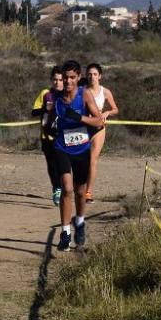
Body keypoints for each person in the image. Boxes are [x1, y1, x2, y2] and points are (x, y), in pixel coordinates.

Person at [53, 60, 105, 252]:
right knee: (66, 189)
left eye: (72, 77)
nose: (68, 81)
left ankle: (80, 222)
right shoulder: (56, 97)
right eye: (65, 77)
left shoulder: (85, 95)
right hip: (62, 147)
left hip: (82, 149)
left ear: (78, 78)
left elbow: (99, 121)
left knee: (80, 191)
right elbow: (49, 118)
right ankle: (65, 233)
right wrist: (48, 122)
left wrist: (80, 118)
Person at [82, 63, 119, 204]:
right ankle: (79, 187)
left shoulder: (105, 92)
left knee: (92, 160)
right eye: (90, 74)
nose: (92, 77)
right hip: (84, 128)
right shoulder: (83, 91)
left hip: (98, 129)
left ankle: (88, 192)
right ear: (86, 76)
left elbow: (116, 109)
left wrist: (107, 112)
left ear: (100, 76)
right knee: (81, 160)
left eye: (95, 74)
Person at [32, 66, 65, 205]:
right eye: (55, 79)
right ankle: (56, 187)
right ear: (51, 80)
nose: (58, 82)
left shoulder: (68, 94)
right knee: (52, 165)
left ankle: (64, 188)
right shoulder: (45, 94)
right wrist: (45, 108)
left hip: (63, 137)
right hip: (47, 137)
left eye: (60, 79)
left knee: (62, 165)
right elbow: (34, 112)